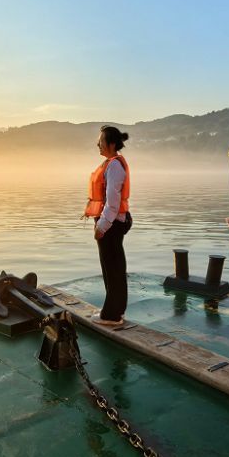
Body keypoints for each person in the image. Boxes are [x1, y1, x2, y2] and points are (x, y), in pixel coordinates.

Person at [84, 125, 133, 327]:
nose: (98, 144)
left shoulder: (114, 166)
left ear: (111, 144)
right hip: (116, 221)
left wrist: (101, 226)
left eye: (101, 141)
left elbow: (112, 202)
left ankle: (111, 316)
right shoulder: (113, 163)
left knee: (112, 268)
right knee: (115, 268)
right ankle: (115, 311)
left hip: (111, 223)